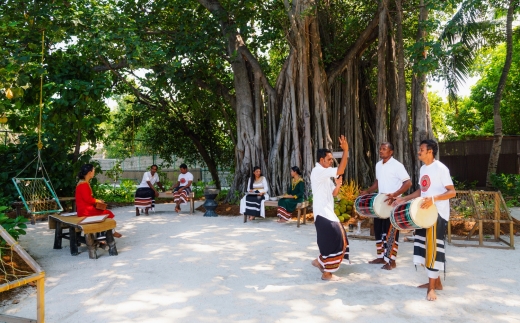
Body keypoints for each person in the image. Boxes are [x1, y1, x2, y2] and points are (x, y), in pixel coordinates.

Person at [393, 139, 456, 301]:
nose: (419, 151)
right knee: (422, 247)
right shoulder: (422, 169)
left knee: (433, 250)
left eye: (421, 149)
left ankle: (431, 288)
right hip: (423, 214)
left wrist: (433, 199)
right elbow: (422, 190)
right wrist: (404, 199)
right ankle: (437, 283)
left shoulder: (441, 168)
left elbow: (452, 192)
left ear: (430, 151)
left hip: (437, 214)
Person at [360, 142, 412, 270]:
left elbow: (408, 183)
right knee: (379, 231)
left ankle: (391, 261)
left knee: (391, 232)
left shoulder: (397, 166)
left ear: (391, 152)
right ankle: (381, 257)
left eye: (384, 149)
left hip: (392, 204)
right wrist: (368, 191)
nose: (381, 151)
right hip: (380, 203)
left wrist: (395, 194)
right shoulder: (378, 165)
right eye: (380, 149)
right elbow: (378, 181)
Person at [310, 135, 349, 281]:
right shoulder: (318, 171)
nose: (331, 161)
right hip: (322, 213)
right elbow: (340, 170)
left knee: (334, 238)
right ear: (321, 160)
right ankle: (327, 272)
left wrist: (338, 185)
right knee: (337, 238)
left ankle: (319, 262)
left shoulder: (325, 175)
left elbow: (334, 193)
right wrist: (346, 151)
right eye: (329, 159)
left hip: (327, 213)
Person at [75, 164, 122, 238]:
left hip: (84, 209)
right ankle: (107, 233)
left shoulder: (83, 183)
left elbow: (87, 199)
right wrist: (98, 201)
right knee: (108, 213)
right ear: (89, 172)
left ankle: (104, 233)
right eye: (93, 170)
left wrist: (97, 201)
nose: (94, 172)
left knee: (104, 212)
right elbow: (88, 199)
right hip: (85, 211)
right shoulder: (83, 184)